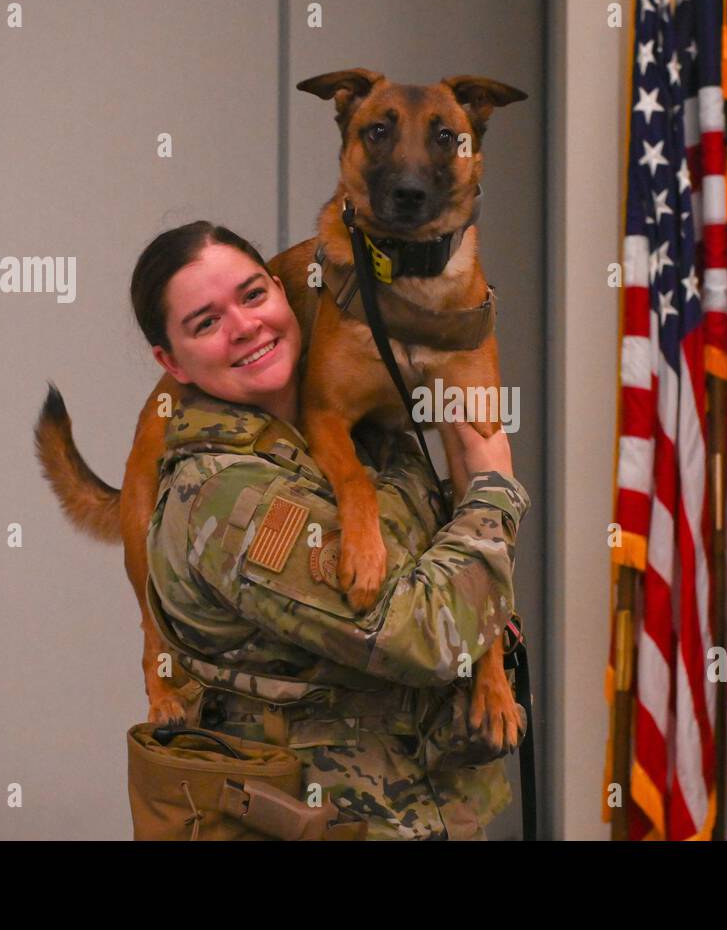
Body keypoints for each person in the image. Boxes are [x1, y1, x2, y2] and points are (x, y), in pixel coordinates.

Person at [134, 221, 530, 840]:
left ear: (288, 293)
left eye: (254, 295)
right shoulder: (227, 495)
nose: (244, 326)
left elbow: (456, 565)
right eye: (205, 323)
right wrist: (494, 486)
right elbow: (423, 635)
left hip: (425, 816)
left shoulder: (369, 437)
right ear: (170, 362)